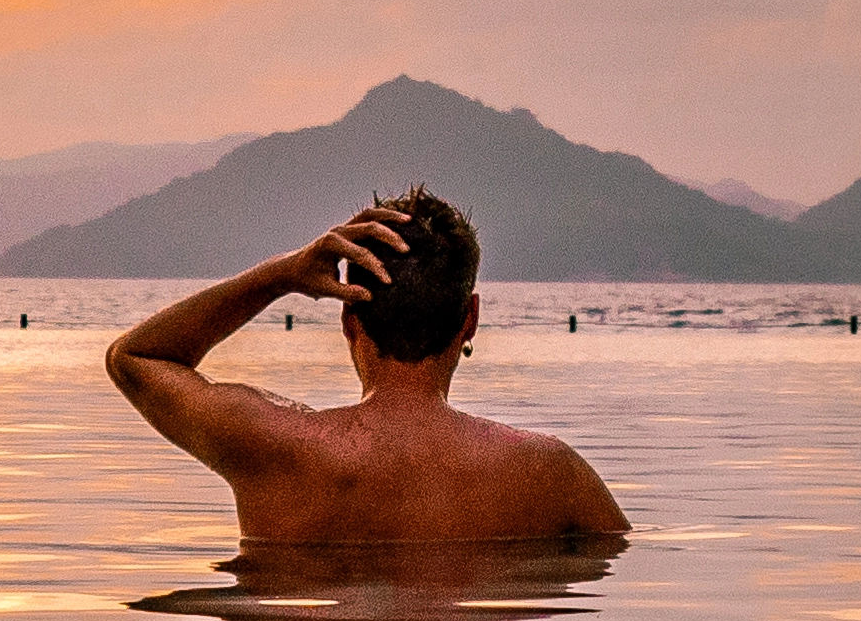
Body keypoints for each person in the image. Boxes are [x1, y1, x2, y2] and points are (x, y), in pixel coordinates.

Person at [100, 188, 628, 553]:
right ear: (469, 320)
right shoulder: (549, 474)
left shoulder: (271, 443)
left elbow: (136, 358)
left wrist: (280, 275)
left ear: (348, 316)